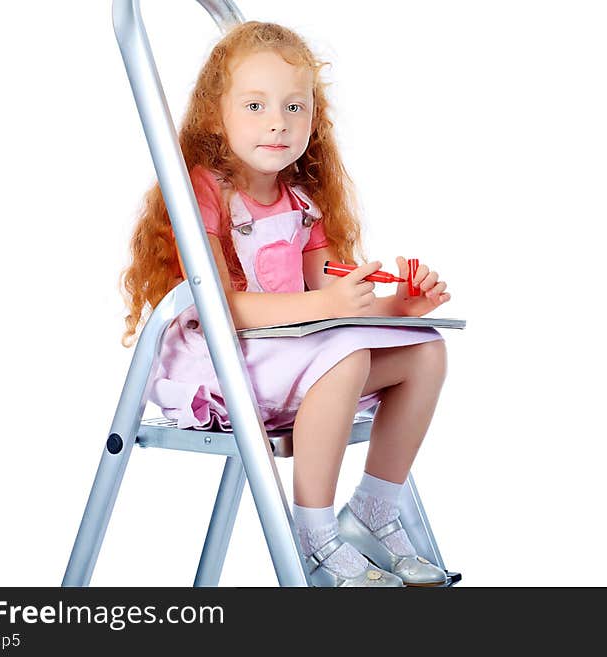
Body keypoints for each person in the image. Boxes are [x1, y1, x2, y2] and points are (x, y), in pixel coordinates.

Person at [120, 22, 452, 587]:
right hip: (225, 356)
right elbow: (219, 308)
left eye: (295, 106)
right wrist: (325, 308)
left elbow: (328, 296)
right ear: (214, 118)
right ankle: (314, 533)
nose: (278, 121)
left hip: (292, 350)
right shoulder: (208, 190)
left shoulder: (302, 201)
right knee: (344, 357)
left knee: (426, 352)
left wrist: (398, 306)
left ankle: (372, 515)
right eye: (255, 105)